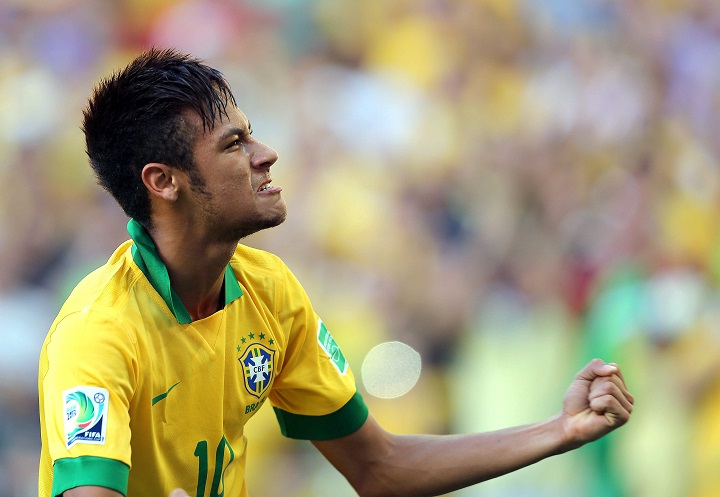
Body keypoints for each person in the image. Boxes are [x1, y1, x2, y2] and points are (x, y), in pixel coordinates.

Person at [38, 48, 634, 497]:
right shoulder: (97, 332)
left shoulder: (269, 290)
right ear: (163, 182)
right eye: (234, 143)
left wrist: (558, 431)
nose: (266, 154)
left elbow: (379, 467)